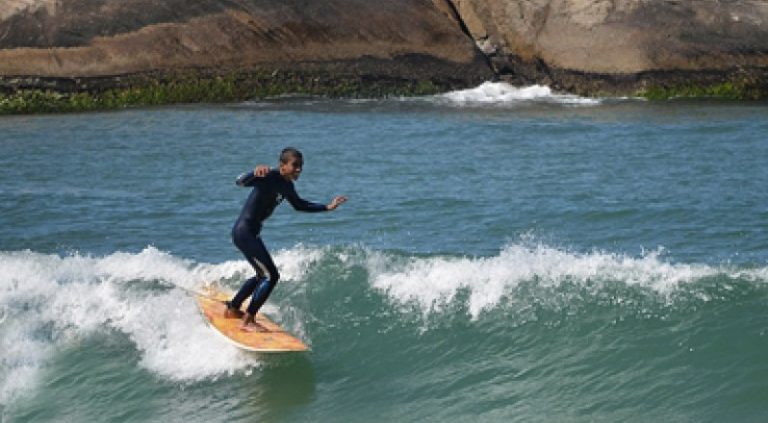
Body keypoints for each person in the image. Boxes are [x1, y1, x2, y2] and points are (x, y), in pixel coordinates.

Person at [226, 147, 347, 331]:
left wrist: (327, 207)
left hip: (251, 233)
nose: (299, 170)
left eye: (301, 166)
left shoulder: (287, 186)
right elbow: (240, 182)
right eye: (295, 165)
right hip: (244, 232)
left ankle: (233, 309)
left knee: (262, 275)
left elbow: (299, 205)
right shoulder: (268, 176)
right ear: (282, 165)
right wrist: (254, 171)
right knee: (271, 276)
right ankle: (248, 321)